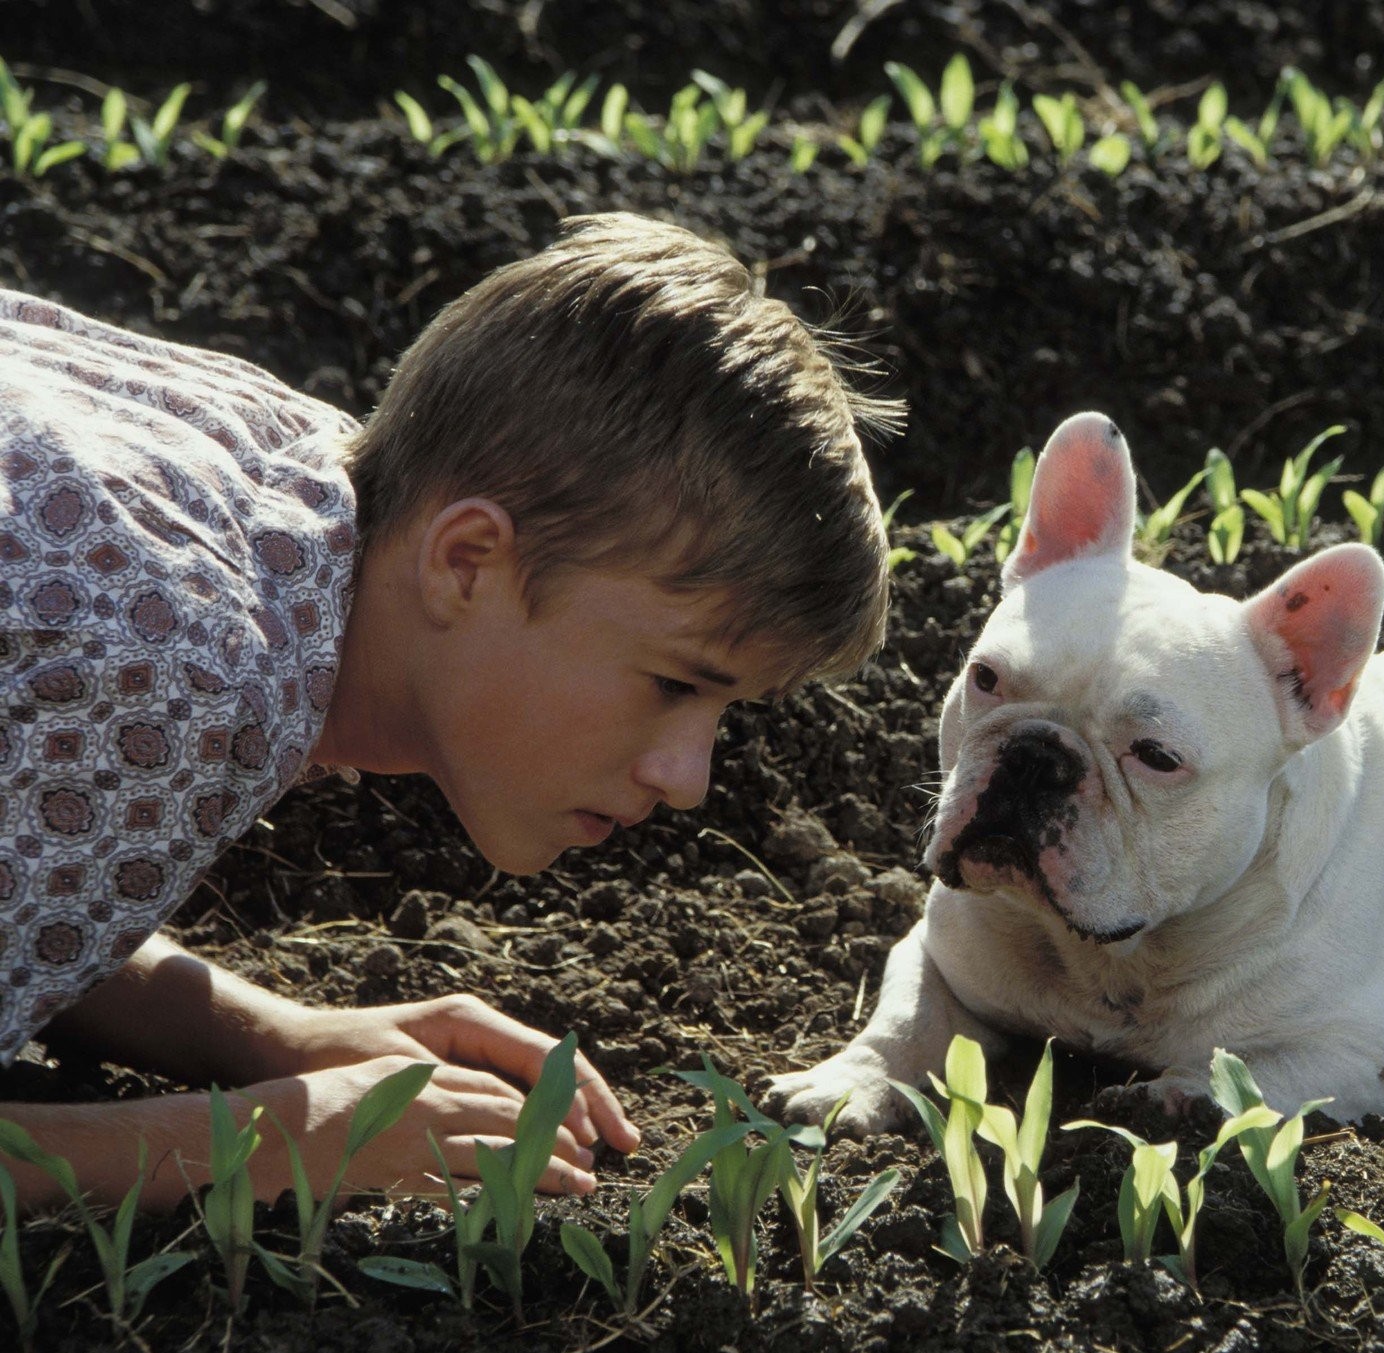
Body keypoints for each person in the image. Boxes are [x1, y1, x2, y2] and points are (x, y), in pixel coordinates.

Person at [0, 213, 900, 1210]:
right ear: (465, 561)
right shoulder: (189, 677)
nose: (684, 777)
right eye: (675, 684)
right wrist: (271, 1138)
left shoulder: (274, 479)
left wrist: (268, 1036)